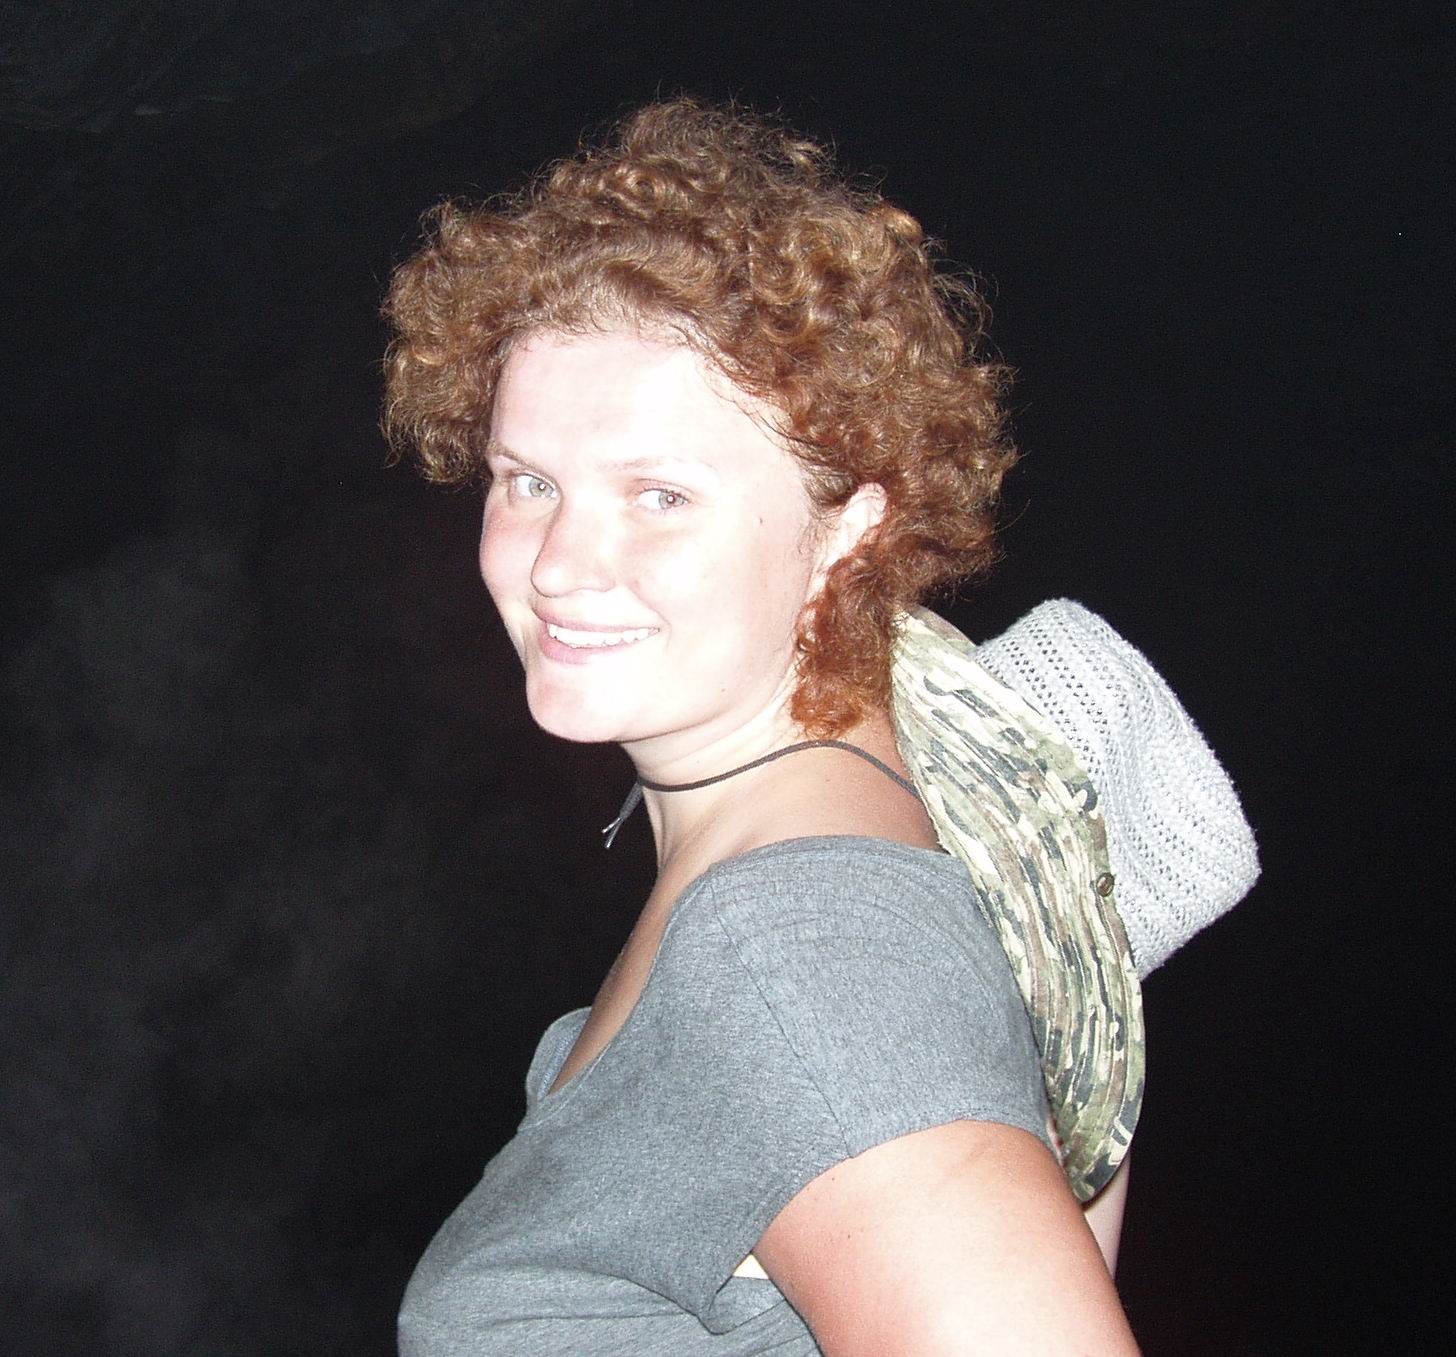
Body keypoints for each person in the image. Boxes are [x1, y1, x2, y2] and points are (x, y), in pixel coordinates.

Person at [382, 99, 1256, 1355]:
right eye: (529, 481)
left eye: (659, 495)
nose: (561, 563)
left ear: (849, 526)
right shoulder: (830, 871)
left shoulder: (796, 953)